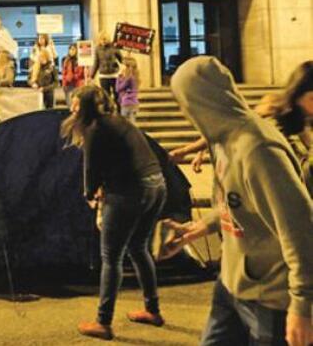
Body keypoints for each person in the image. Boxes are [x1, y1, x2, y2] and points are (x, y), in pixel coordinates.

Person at [165, 56, 312, 346]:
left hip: (270, 295)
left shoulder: (258, 149)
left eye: (183, 100)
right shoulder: (222, 140)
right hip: (231, 284)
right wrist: (198, 228)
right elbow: (237, 203)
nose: (183, 110)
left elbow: (300, 229)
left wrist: (303, 304)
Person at [62, 85, 167, 341]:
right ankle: (152, 309)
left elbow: (90, 175)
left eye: (75, 105)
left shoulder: (94, 130)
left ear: (84, 108)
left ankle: (103, 321)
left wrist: (90, 196)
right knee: (139, 248)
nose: (71, 109)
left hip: (128, 193)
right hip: (156, 186)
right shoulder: (119, 121)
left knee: (111, 257)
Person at [169, 60, 312, 190]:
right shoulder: (274, 116)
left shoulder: (304, 118)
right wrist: (189, 150)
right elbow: (231, 128)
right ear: (297, 93)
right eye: (312, 98)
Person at [92, 32, 123, 110]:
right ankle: (108, 111)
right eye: (102, 39)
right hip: (103, 75)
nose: (103, 41)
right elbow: (96, 62)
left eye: (105, 39)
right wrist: (92, 75)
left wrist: (120, 66)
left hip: (114, 74)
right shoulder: (97, 49)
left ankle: (119, 111)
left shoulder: (114, 47)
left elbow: (121, 58)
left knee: (117, 94)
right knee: (106, 95)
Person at [116, 57, 140, 124]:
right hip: (134, 103)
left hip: (126, 103)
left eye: (122, 64)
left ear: (127, 67)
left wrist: (119, 77)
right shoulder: (134, 76)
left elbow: (117, 89)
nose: (120, 66)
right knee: (132, 124)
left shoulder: (128, 78)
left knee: (126, 126)